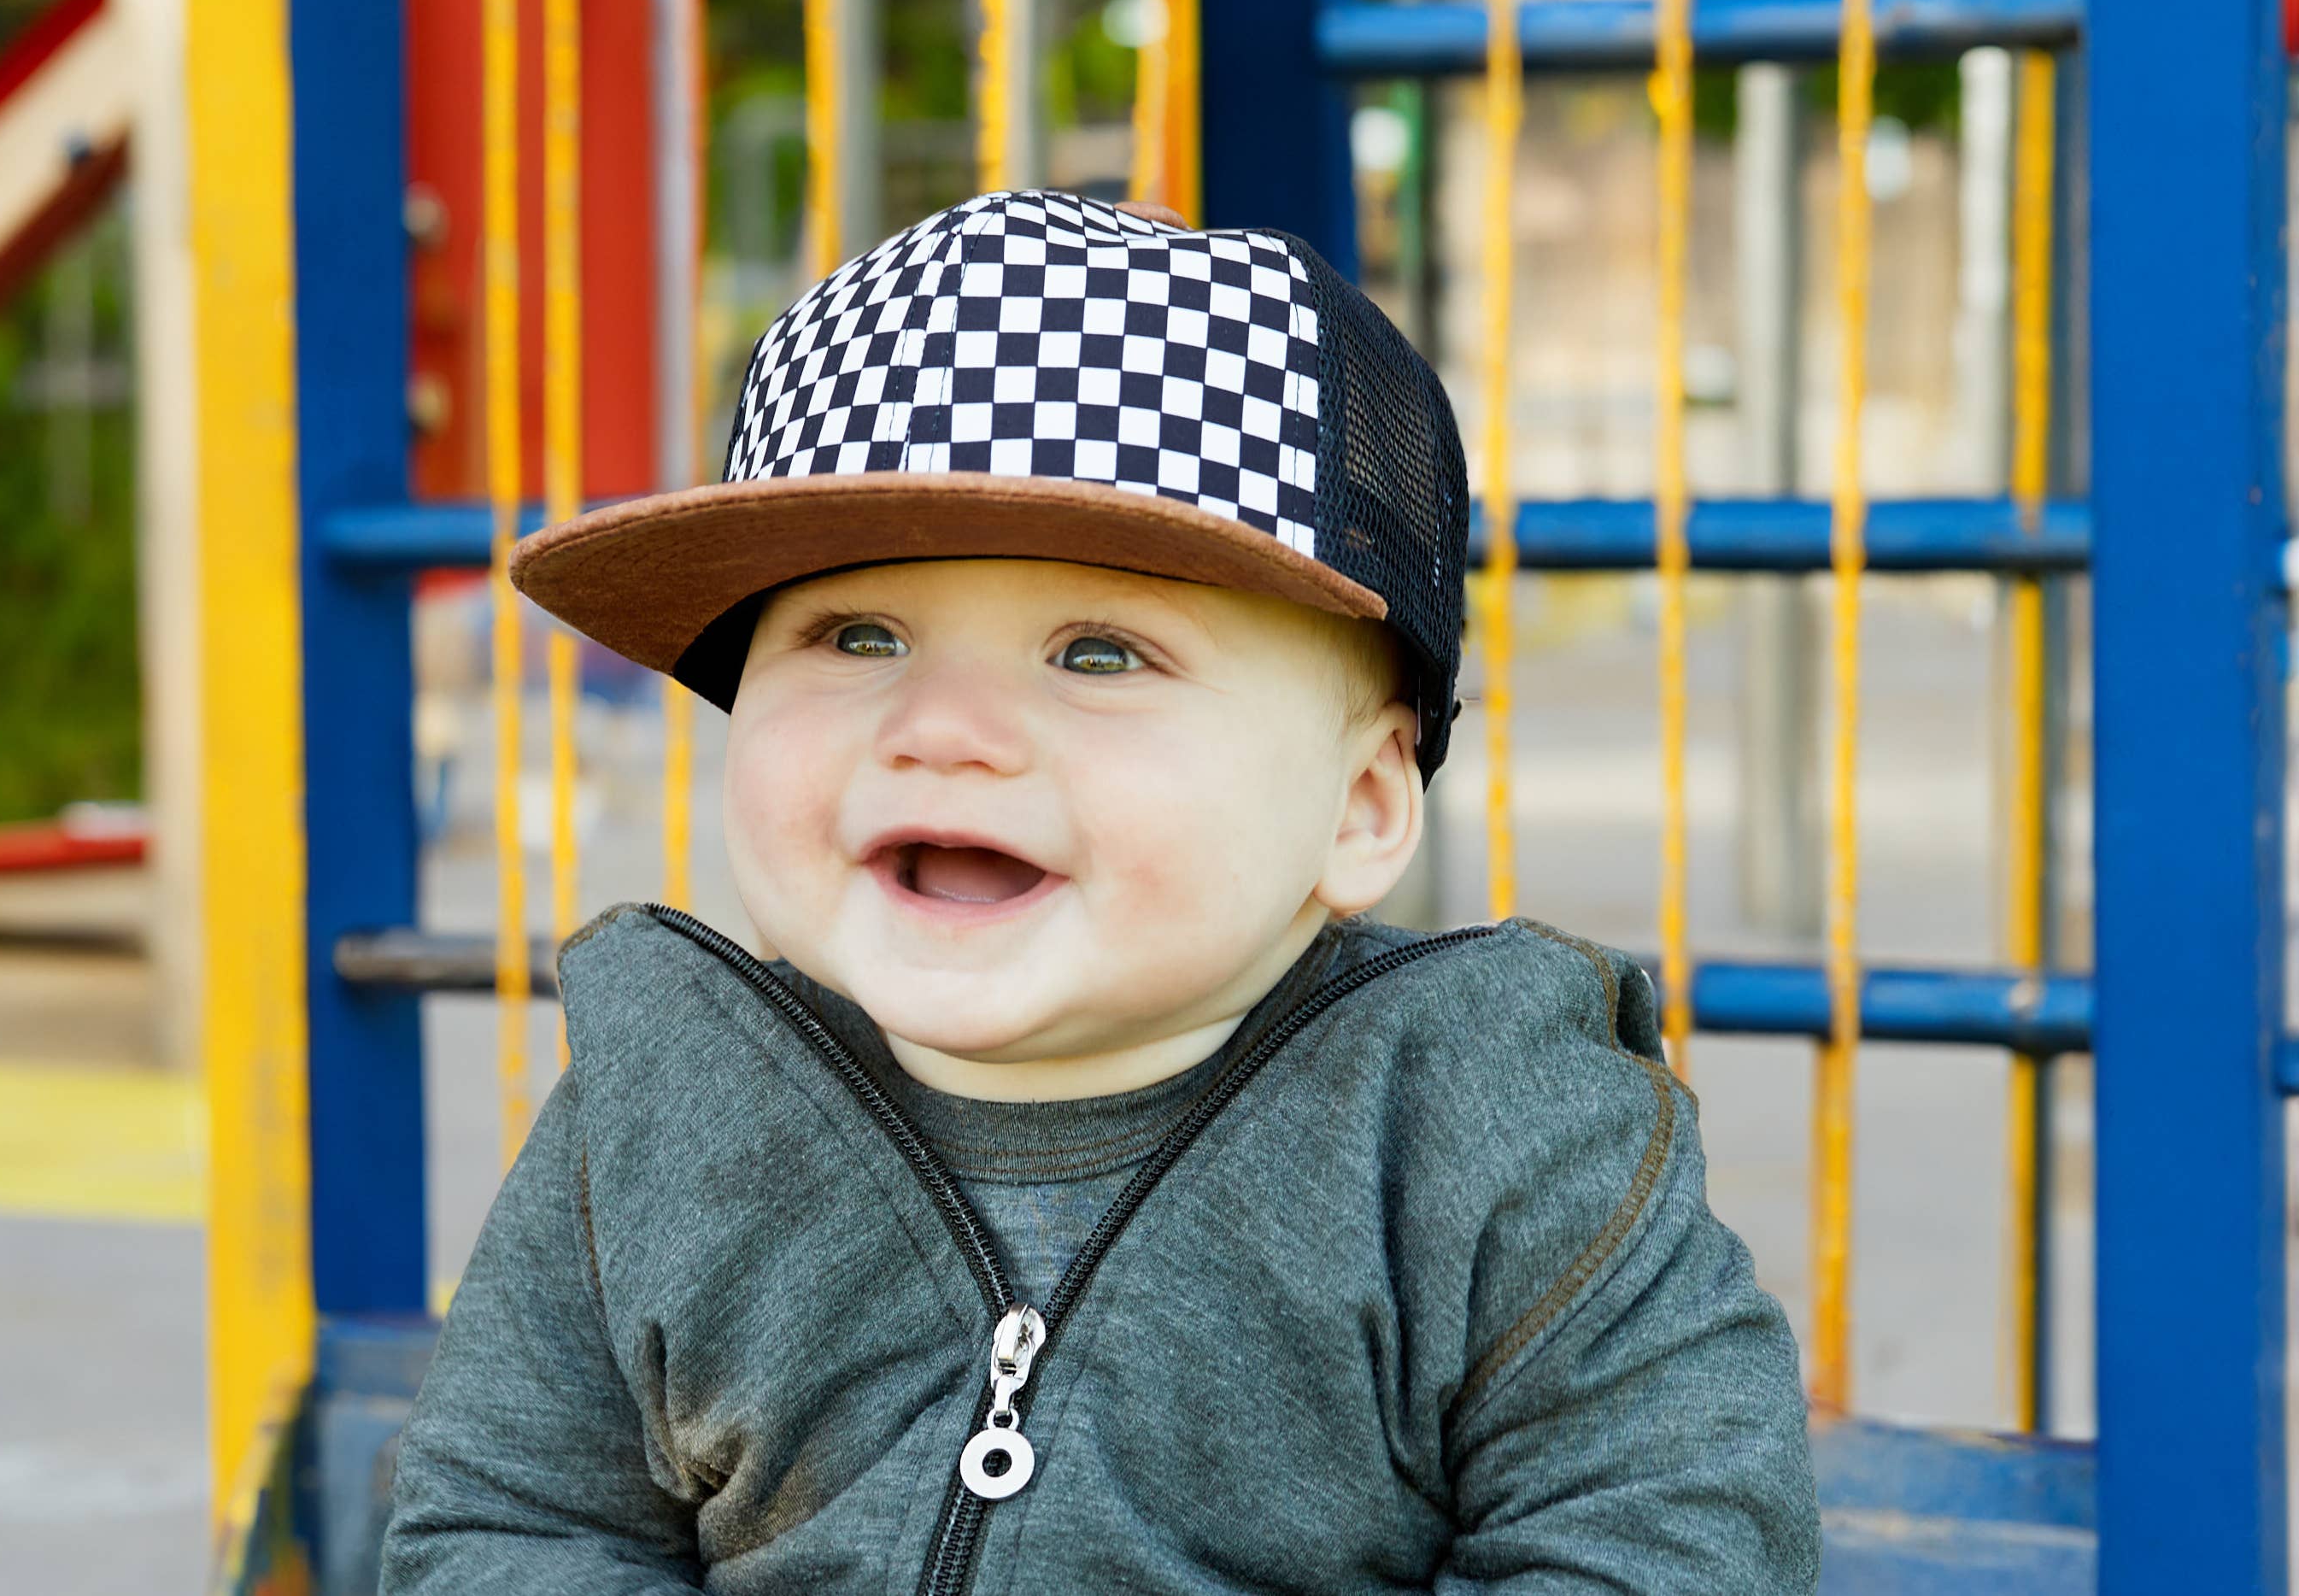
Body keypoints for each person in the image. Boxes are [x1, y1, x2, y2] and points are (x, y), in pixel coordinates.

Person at [381, 190, 1819, 1593]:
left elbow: (1669, 1540)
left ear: (1364, 805)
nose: (942, 727)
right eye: (859, 631)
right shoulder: (657, 1123)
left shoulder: (1490, 1142)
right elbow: (505, 1527)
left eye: (1100, 654)